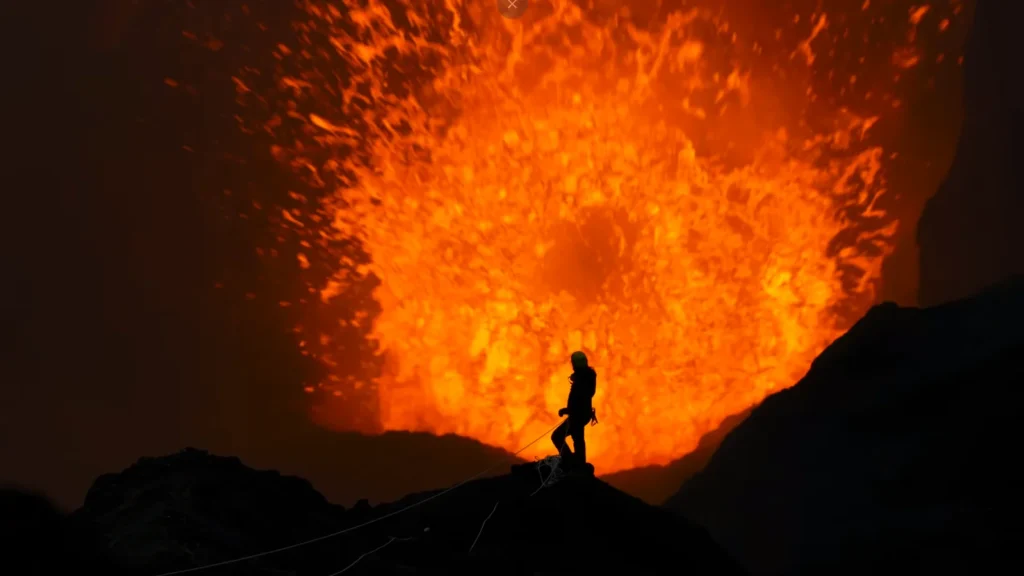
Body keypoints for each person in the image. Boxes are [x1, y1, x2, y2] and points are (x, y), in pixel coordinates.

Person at [551, 350, 598, 473]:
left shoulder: (582, 379)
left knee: (558, 436)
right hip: (581, 414)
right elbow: (583, 397)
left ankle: (571, 461)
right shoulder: (587, 377)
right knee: (577, 437)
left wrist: (567, 410)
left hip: (578, 415)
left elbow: (580, 398)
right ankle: (578, 461)